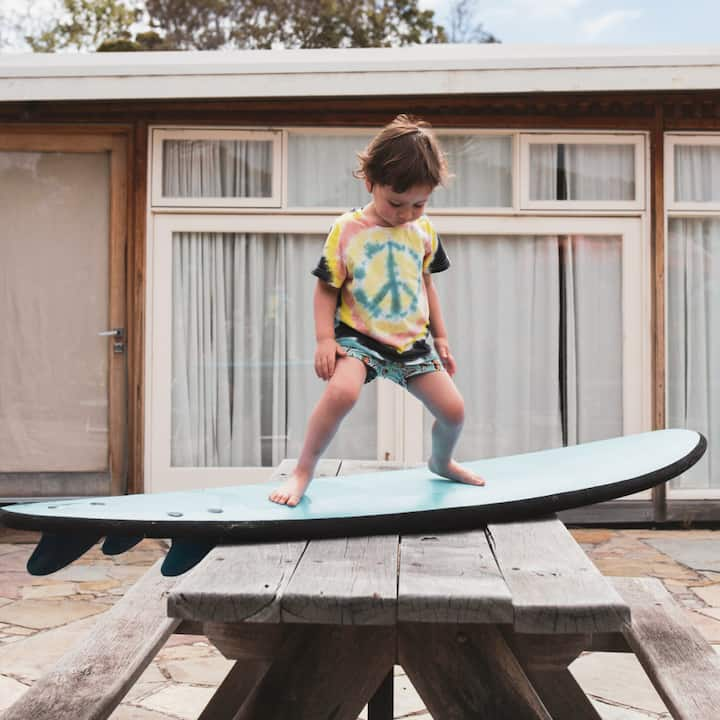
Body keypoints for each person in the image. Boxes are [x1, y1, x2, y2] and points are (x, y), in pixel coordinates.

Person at [269, 114, 484, 506]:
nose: (405, 214)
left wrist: (441, 337)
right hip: (360, 337)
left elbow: (427, 283)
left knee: (454, 409)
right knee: (342, 393)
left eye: (418, 203)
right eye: (396, 202)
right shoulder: (347, 229)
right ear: (370, 183)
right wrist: (324, 339)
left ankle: (442, 461)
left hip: (412, 342)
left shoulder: (423, 231)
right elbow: (325, 287)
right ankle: (303, 470)